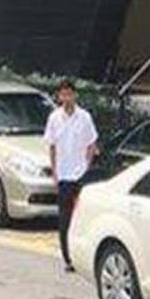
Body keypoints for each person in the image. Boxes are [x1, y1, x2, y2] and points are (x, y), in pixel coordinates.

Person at [44, 79, 98, 273]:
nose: (67, 98)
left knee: (83, 216)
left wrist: (87, 165)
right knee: (65, 218)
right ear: (59, 97)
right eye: (63, 95)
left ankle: (83, 255)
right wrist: (55, 172)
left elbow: (92, 143)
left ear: (75, 95)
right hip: (64, 175)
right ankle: (68, 257)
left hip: (81, 174)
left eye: (70, 94)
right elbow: (51, 146)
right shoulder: (54, 118)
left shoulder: (84, 117)